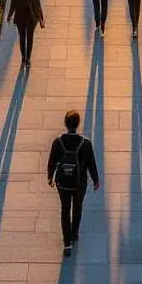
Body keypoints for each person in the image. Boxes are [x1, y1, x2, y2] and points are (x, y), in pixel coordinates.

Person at [47, 109, 100, 258]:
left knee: (65, 209)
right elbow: (91, 164)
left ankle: (67, 243)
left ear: (65, 123)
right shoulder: (86, 143)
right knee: (77, 207)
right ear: (78, 124)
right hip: (79, 183)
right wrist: (96, 180)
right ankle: (74, 233)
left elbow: (52, 162)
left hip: (63, 182)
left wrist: (50, 177)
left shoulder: (57, 142)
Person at [7, 0, 44, 69]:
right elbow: (38, 7)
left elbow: (12, 6)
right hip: (31, 20)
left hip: (20, 19)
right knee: (30, 38)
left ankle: (23, 57)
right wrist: (41, 19)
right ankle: (28, 58)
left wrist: (9, 16)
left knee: (22, 39)